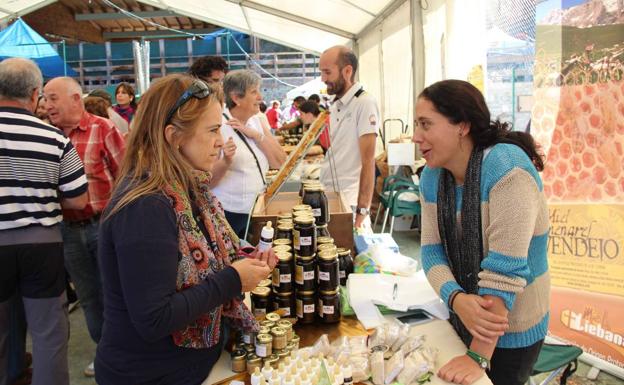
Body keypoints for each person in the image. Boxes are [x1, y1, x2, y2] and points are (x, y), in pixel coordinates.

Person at [95, 74, 275, 385]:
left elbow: (207, 256)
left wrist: (246, 259)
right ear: (174, 136)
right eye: (213, 130)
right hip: (151, 374)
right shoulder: (146, 206)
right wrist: (234, 278)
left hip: (190, 366)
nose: (221, 140)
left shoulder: (189, 188)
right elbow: (154, 318)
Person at [414, 80, 550, 385]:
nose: (415, 136)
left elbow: (504, 272)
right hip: (463, 317)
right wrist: (457, 299)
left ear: (462, 125)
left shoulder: (507, 168)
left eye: (426, 124)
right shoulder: (433, 177)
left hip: (513, 328)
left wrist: (477, 356)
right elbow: (431, 250)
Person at [0, 57, 88, 385]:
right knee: (49, 331)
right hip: (42, 242)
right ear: (36, 93)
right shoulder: (54, 138)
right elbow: (78, 198)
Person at [43, 76, 126, 378]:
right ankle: (103, 350)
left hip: (103, 224)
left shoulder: (103, 129)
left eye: (53, 98)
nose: (47, 105)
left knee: (113, 290)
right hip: (65, 229)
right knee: (89, 295)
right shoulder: (45, 136)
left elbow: (126, 176)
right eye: (45, 98)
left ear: (76, 99)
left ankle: (123, 350)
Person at [211, 70, 286, 238]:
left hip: (257, 210)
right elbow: (207, 180)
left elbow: (280, 162)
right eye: (254, 92)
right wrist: (225, 162)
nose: (260, 97)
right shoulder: (218, 125)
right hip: (229, 214)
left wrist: (256, 135)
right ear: (236, 98)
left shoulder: (257, 120)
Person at [319, 45, 379, 228]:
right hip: (332, 195)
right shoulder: (337, 104)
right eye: (321, 73)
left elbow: (368, 161)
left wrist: (362, 209)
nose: (323, 79)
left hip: (350, 202)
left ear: (347, 71)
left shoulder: (364, 103)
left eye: (327, 72)